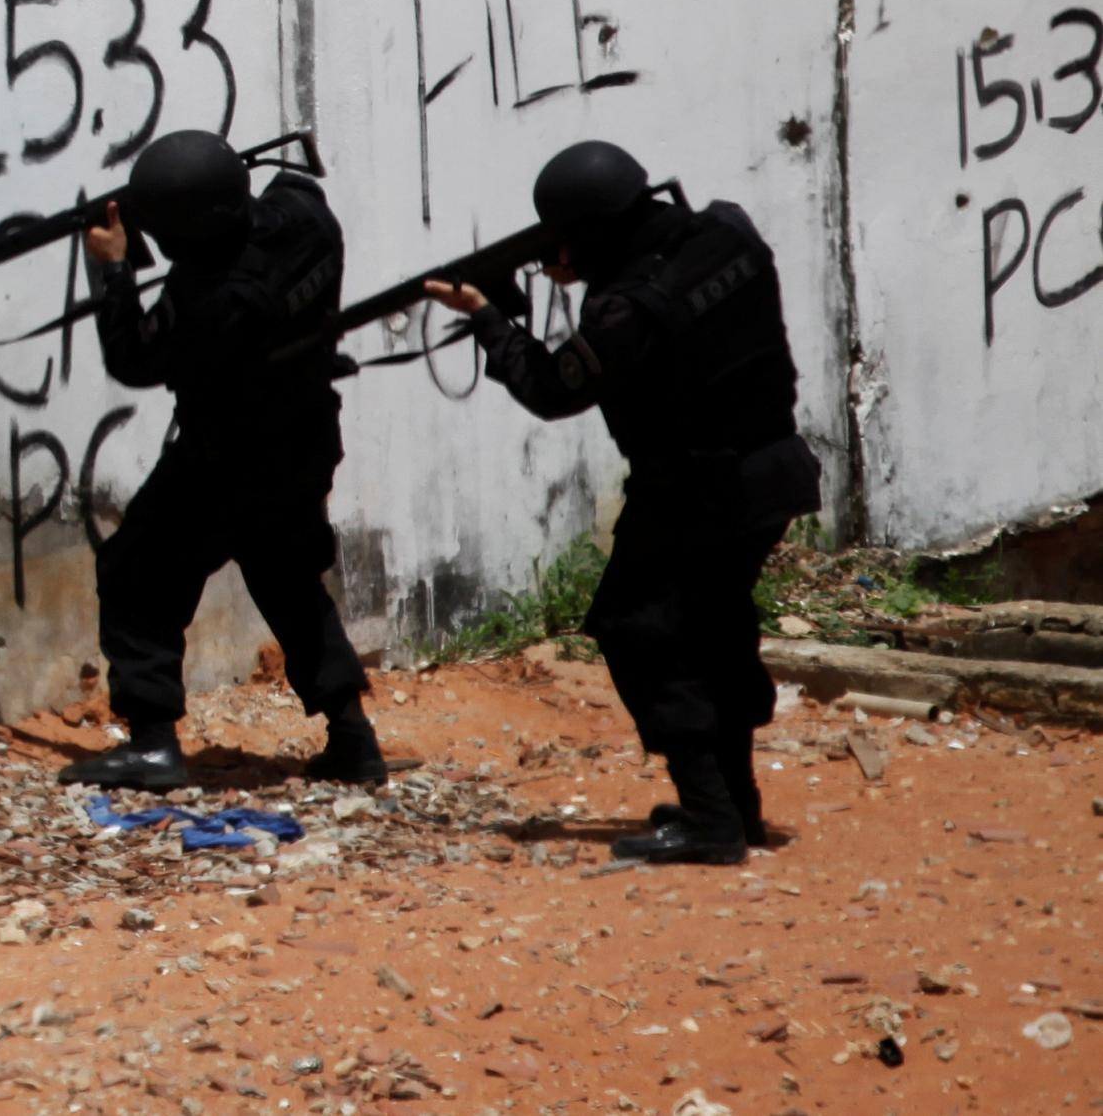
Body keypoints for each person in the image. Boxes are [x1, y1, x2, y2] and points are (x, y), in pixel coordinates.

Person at [425, 140, 822, 865]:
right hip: (774, 472)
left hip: (696, 489)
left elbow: (552, 389)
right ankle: (737, 806)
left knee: (641, 627)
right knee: (716, 628)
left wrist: (487, 317)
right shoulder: (726, 231)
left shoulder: (626, 309)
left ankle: (710, 818)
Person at [58, 129, 387, 793]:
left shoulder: (216, 300)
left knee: (135, 575)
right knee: (289, 578)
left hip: (225, 457)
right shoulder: (307, 222)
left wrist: (114, 268)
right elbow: (292, 184)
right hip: (304, 438)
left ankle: (152, 743)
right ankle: (353, 738)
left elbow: (134, 357)